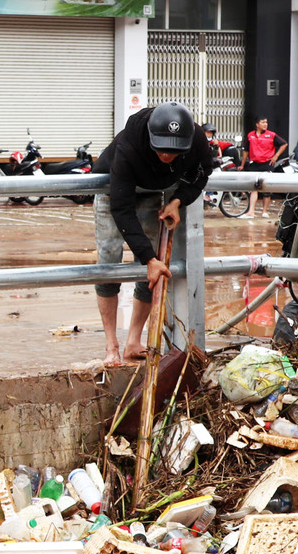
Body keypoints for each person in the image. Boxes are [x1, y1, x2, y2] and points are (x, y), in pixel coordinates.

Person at [93, 102, 217, 367]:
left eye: (175, 152)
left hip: (151, 191)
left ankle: (133, 342)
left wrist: (178, 200)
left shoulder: (195, 139)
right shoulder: (130, 144)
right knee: (108, 258)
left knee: (156, 267)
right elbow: (121, 208)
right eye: (161, 149)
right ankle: (111, 345)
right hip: (112, 190)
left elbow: (203, 171)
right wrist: (147, 257)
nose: (167, 156)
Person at [240, 116, 286, 219]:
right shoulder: (250, 136)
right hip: (255, 163)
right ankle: (251, 211)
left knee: (266, 189)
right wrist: (242, 164)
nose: (265, 124)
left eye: (266, 122)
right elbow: (246, 151)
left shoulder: (271, 135)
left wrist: (276, 156)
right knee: (253, 188)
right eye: (263, 122)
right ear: (257, 124)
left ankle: (264, 211)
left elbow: (284, 144)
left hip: (267, 164)